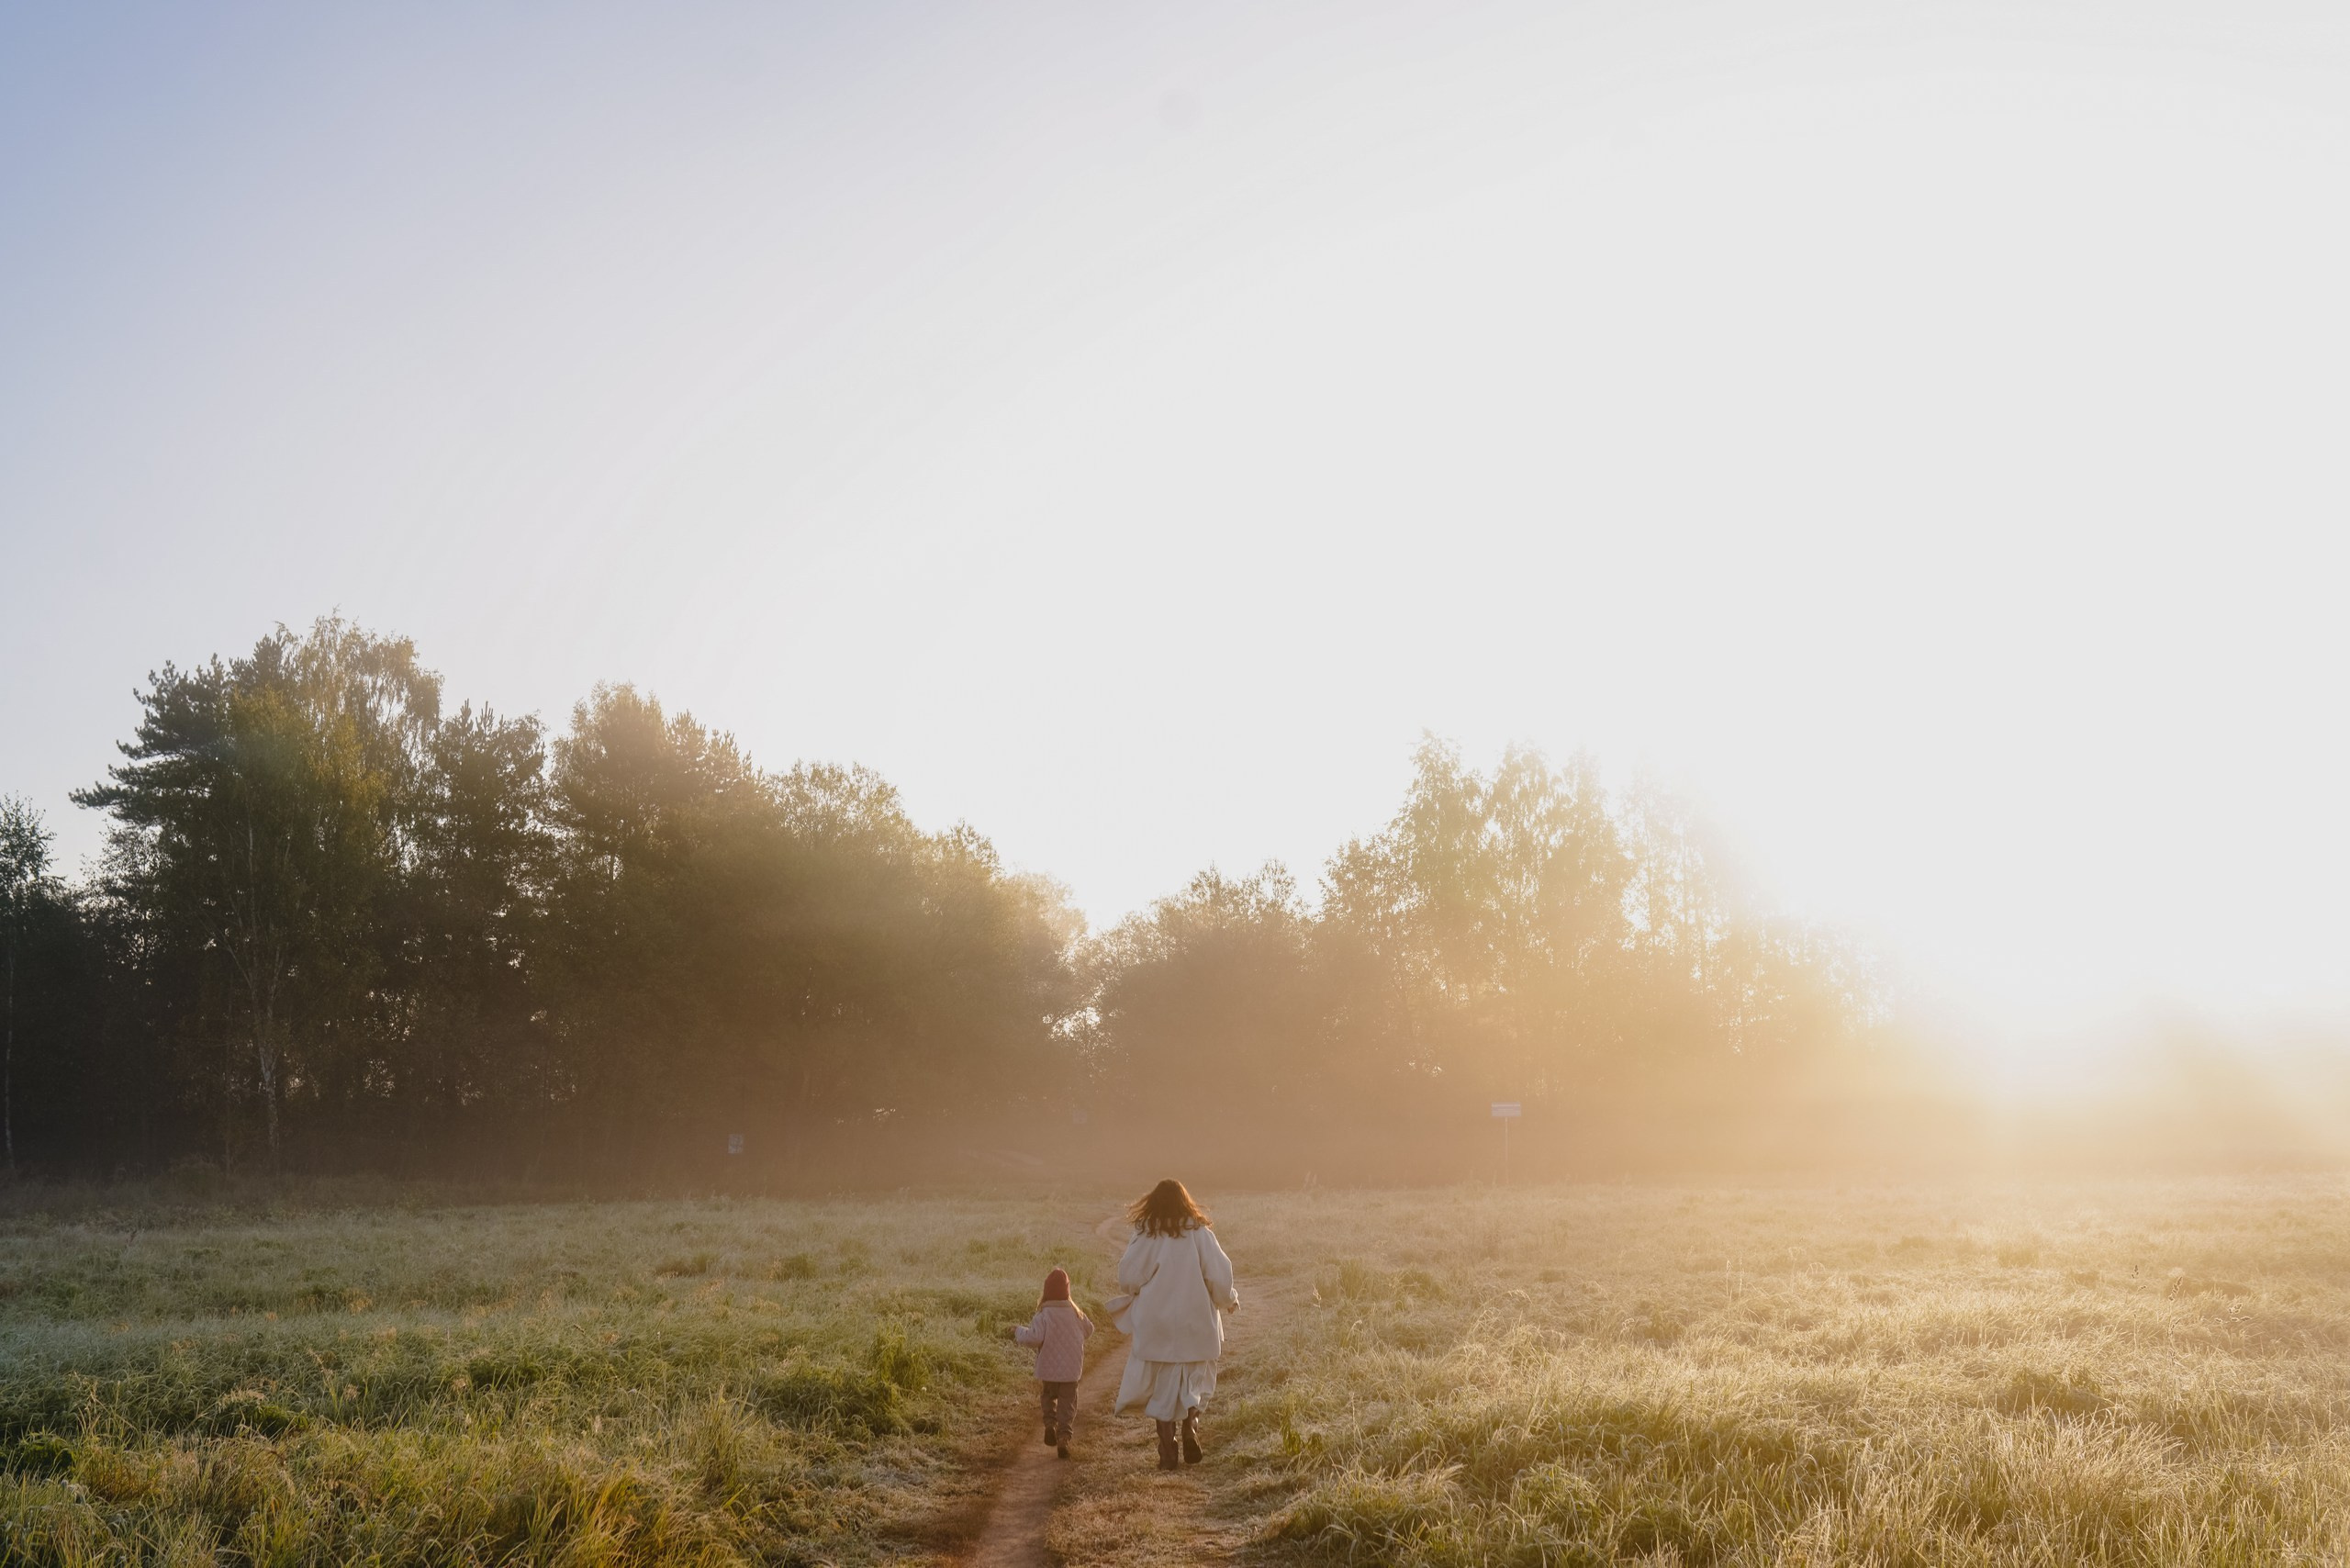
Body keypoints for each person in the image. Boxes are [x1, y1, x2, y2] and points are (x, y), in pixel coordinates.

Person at [1110, 1178, 1238, 1470]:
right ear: (1186, 1202)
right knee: (1195, 1382)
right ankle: (1191, 1426)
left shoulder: (1146, 1234)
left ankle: (1167, 1450)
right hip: (1197, 1323)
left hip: (1157, 1325)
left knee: (1161, 1390)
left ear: (1153, 1203)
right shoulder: (1200, 1233)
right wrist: (1227, 1299)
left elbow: (1128, 1277)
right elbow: (1219, 1275)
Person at [1012, 1267, 1091, 1458]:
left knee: (1048, 1397)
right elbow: (1089, 1330)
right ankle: (1063, 1437)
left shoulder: (1044, 1315)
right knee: (1067, 1404)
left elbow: (1034, 1338)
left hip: (1048, 1369)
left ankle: (1049, 1424)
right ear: (1067, 1291)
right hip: (1071, 1371)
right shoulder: (1076, 1313)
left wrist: (1017, 1331)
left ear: (1046, 1291)